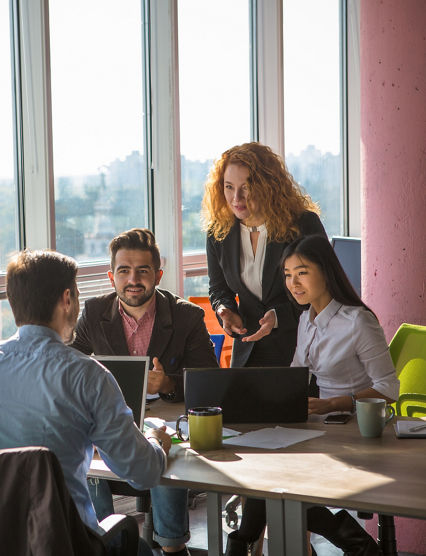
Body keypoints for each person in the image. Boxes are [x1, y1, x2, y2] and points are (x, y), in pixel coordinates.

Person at [224, 234, 399, 556]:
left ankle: (242, 542)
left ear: (326, 271)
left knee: (278, 485)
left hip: (356, 427)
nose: (293, 283)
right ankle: (353, 543)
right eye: (288, 275)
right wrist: (257, 397)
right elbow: (297, 374)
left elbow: (388, 388)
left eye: (302, 272)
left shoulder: (358, 322)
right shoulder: (306, 318)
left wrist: (331, 403)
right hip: (322, 423)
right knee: (264, 471)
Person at [0, 249, 171, 556]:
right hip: (65, 543)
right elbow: (142, 472)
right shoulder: (87, 375)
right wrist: (156, 440)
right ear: (67, 299)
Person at [72, 228, 218, 556]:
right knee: (85, 452)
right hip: (112, 420)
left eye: (143, 270)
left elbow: (210, 380)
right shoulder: (94, 312)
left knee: (162, 452)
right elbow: (71, 366)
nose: (133, 279)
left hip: (167, 421)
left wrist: (167, 384)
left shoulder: (186, 315)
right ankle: (105, 540)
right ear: (112, 276)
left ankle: (172, 546)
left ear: (158, 275)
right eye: (124, 270)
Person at [202, 141, 327, 371]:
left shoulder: (302, 225)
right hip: (247, 355)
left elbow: (322, 290)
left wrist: (278, 316)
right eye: (229, 187)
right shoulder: (217, 234)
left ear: (268, 185)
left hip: (301, 350)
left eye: (246, 186)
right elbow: (219, 289)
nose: (236, 197)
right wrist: (224, 310)